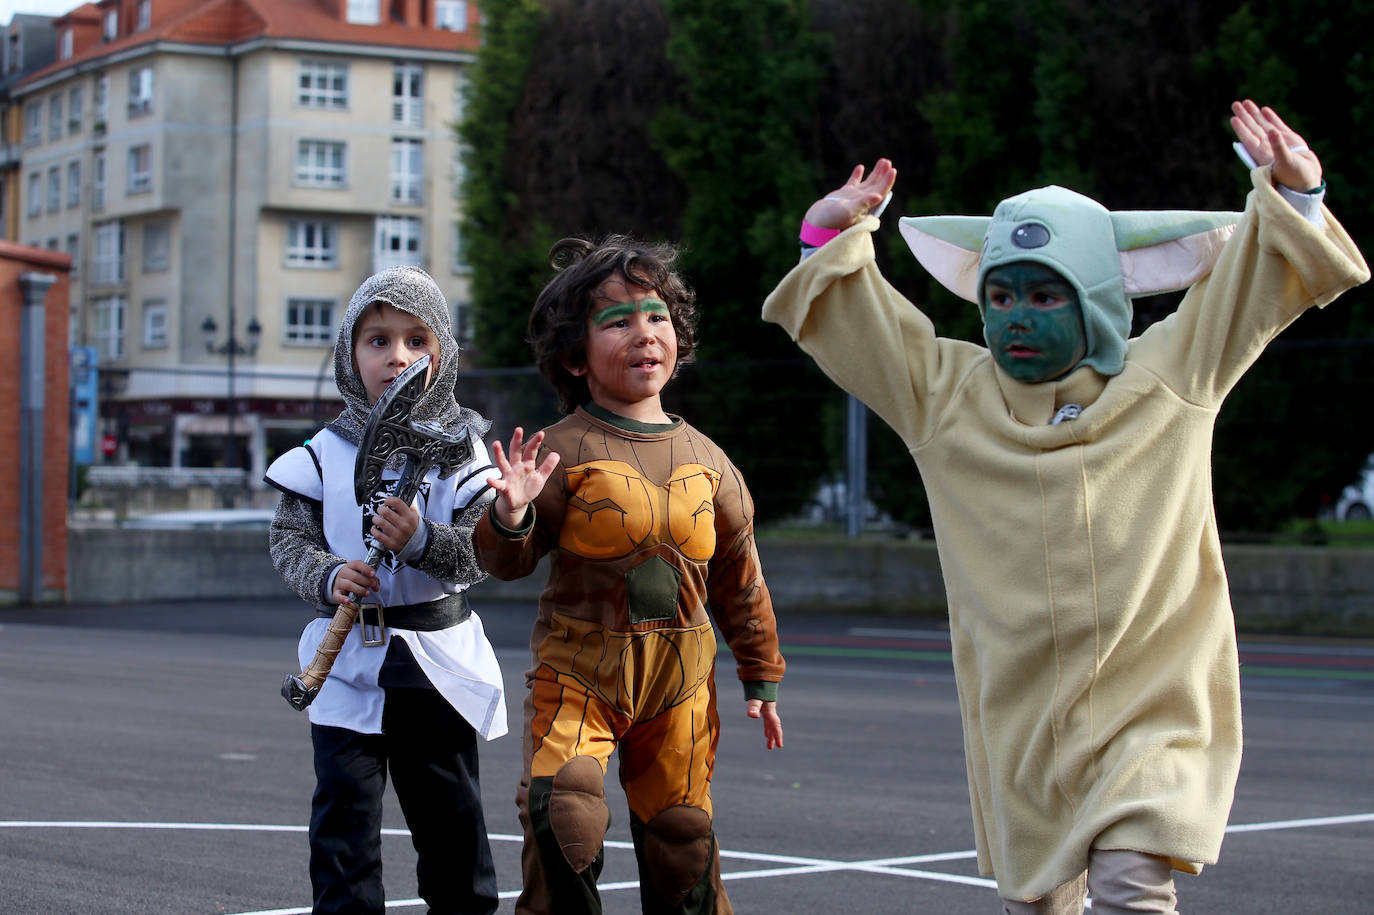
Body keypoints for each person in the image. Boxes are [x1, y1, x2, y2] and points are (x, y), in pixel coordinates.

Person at [761, 100, 1369, 914]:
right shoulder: (950, 398)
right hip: (1023, 716)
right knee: (1038, 902)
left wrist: (1297, 194)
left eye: (1047, 295)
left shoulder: (1167, 377)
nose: (1017, 315)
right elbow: (863, 328)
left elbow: (1253, 292)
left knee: (1130, 884)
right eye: (1002, 295)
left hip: (1152, 700)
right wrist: (824, 236)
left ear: (1100, 302)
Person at [473, 235, 786, 915]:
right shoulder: (558, 449)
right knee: (569, 815)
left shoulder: (710, 460)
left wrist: (761, 674)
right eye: (617, 321)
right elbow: (504, 561)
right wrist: (510, 512)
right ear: (573, 356)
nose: (644, 333)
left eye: (656, 316)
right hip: (580, 672)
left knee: (682, 838)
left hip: (680, 680)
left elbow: (740, 574)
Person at [265, 265, 506, 915]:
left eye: (415, 340)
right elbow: (289, 540)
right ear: (349, 353)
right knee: (342, 827)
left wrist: (422, 539)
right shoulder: (321, 453)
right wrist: (326, 573)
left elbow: (485, 549)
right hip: (345, 665)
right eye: (377, 340)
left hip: (437, 666)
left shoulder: (466, 453)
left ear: (442, 353)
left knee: (451, 825)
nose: (396, 355)